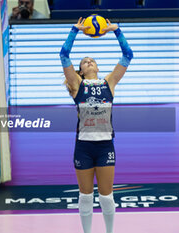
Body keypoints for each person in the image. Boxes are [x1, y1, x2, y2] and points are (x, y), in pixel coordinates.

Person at [60, 18, 133, 233]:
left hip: (105, 146)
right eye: (85, 61)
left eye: (92, 59)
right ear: (80, 70)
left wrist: (117, 31)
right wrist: (74, 30)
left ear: (98, 66)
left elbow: (128, 55)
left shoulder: (109, 82)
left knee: (106, 196)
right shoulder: (77, 84)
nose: (89, 61)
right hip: (84, 146)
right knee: (85, 196)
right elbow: (64, 55)